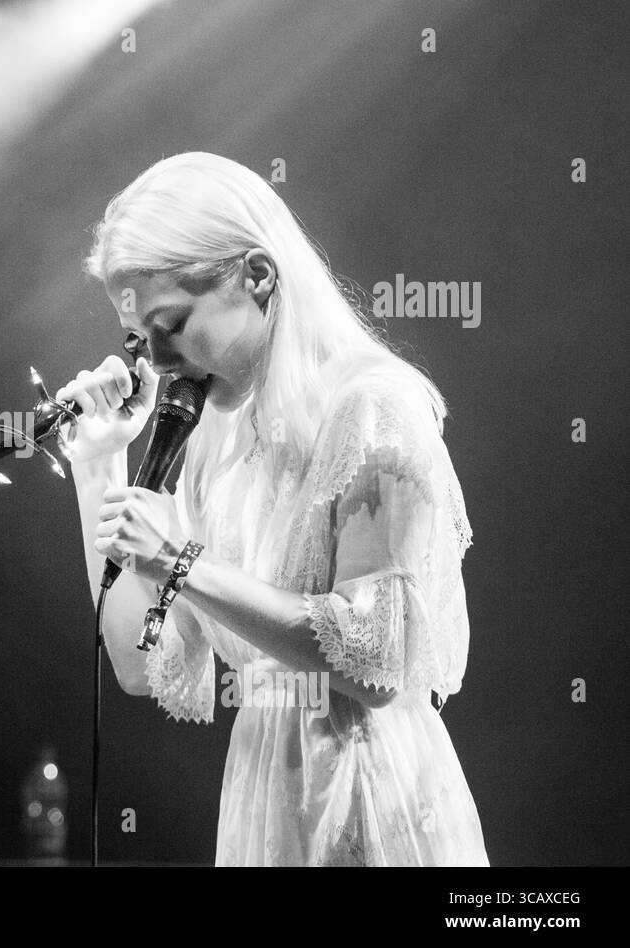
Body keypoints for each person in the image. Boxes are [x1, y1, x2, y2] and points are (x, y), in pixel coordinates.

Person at [56, 152, 488, 865]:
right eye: (141, 338)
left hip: (369, 794)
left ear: (256, 275)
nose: (157, 361)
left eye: (172, 324)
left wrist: (176, 561)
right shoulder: (217, 441)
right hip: (265, 794)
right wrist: (98, 463)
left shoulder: (372, 406)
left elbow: (376, 658)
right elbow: (142, 664)